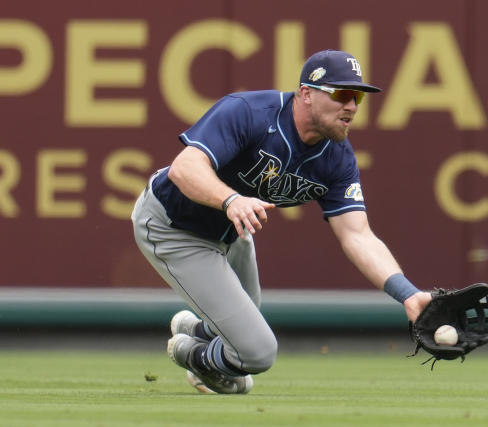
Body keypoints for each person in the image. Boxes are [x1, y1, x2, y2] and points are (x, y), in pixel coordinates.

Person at [131, 49, 433, 394]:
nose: (351, 106)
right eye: (340, 94)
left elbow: (358, 235)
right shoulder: (249, 113)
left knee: (240, 342)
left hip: (231, 233)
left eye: (357, 96)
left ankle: (199, 336)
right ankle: (191, 351)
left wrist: (407, 295)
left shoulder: (337, 158)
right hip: (173, 226)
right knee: (256, 354)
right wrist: (230, 199)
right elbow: (185, 168)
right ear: (306, 93)